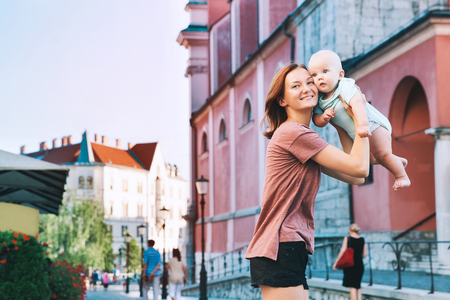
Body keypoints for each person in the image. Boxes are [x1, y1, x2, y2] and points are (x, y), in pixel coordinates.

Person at [245, 63, 370, 300]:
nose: (306, 88)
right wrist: (359, 113)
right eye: (295, 85)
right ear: (282, 100)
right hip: (280, 246)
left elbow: (357, 176)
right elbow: (361, 166)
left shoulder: (304, 140)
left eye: (309, 82)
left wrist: (341, 122)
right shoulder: (294, 133)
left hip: (287, 246)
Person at [308, 50, 410, 190]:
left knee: (382, 154)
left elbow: (358, 103)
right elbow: (316, 120)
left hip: (373, 126)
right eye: (314, 75)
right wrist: (323, 117)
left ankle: (401, 176)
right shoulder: (319, 99)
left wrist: (362, 125)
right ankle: (395, 161)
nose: (319, 78)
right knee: (372, 159)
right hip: (358, 134)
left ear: (340, 74)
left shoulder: (344, 86)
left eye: (325, 71)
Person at [333, 223, 368, 300]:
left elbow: (342, 250)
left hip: (350, 265)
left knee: (352, 286)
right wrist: (358, 257)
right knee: (358, 286)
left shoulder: (347, 238)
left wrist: (336, 262)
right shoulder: (362, 239)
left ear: (350, 230)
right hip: (359, 265)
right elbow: (365, 254)